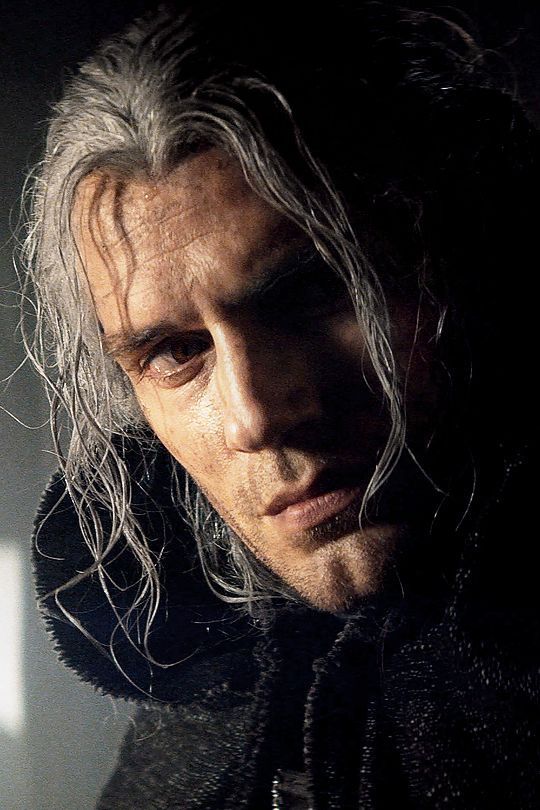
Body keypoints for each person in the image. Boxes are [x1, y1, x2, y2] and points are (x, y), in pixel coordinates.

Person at [24, 1, 538, 807]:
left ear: (472, 256)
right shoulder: (193, 741)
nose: (257, 416)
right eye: (176, 352)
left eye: (314, 294)